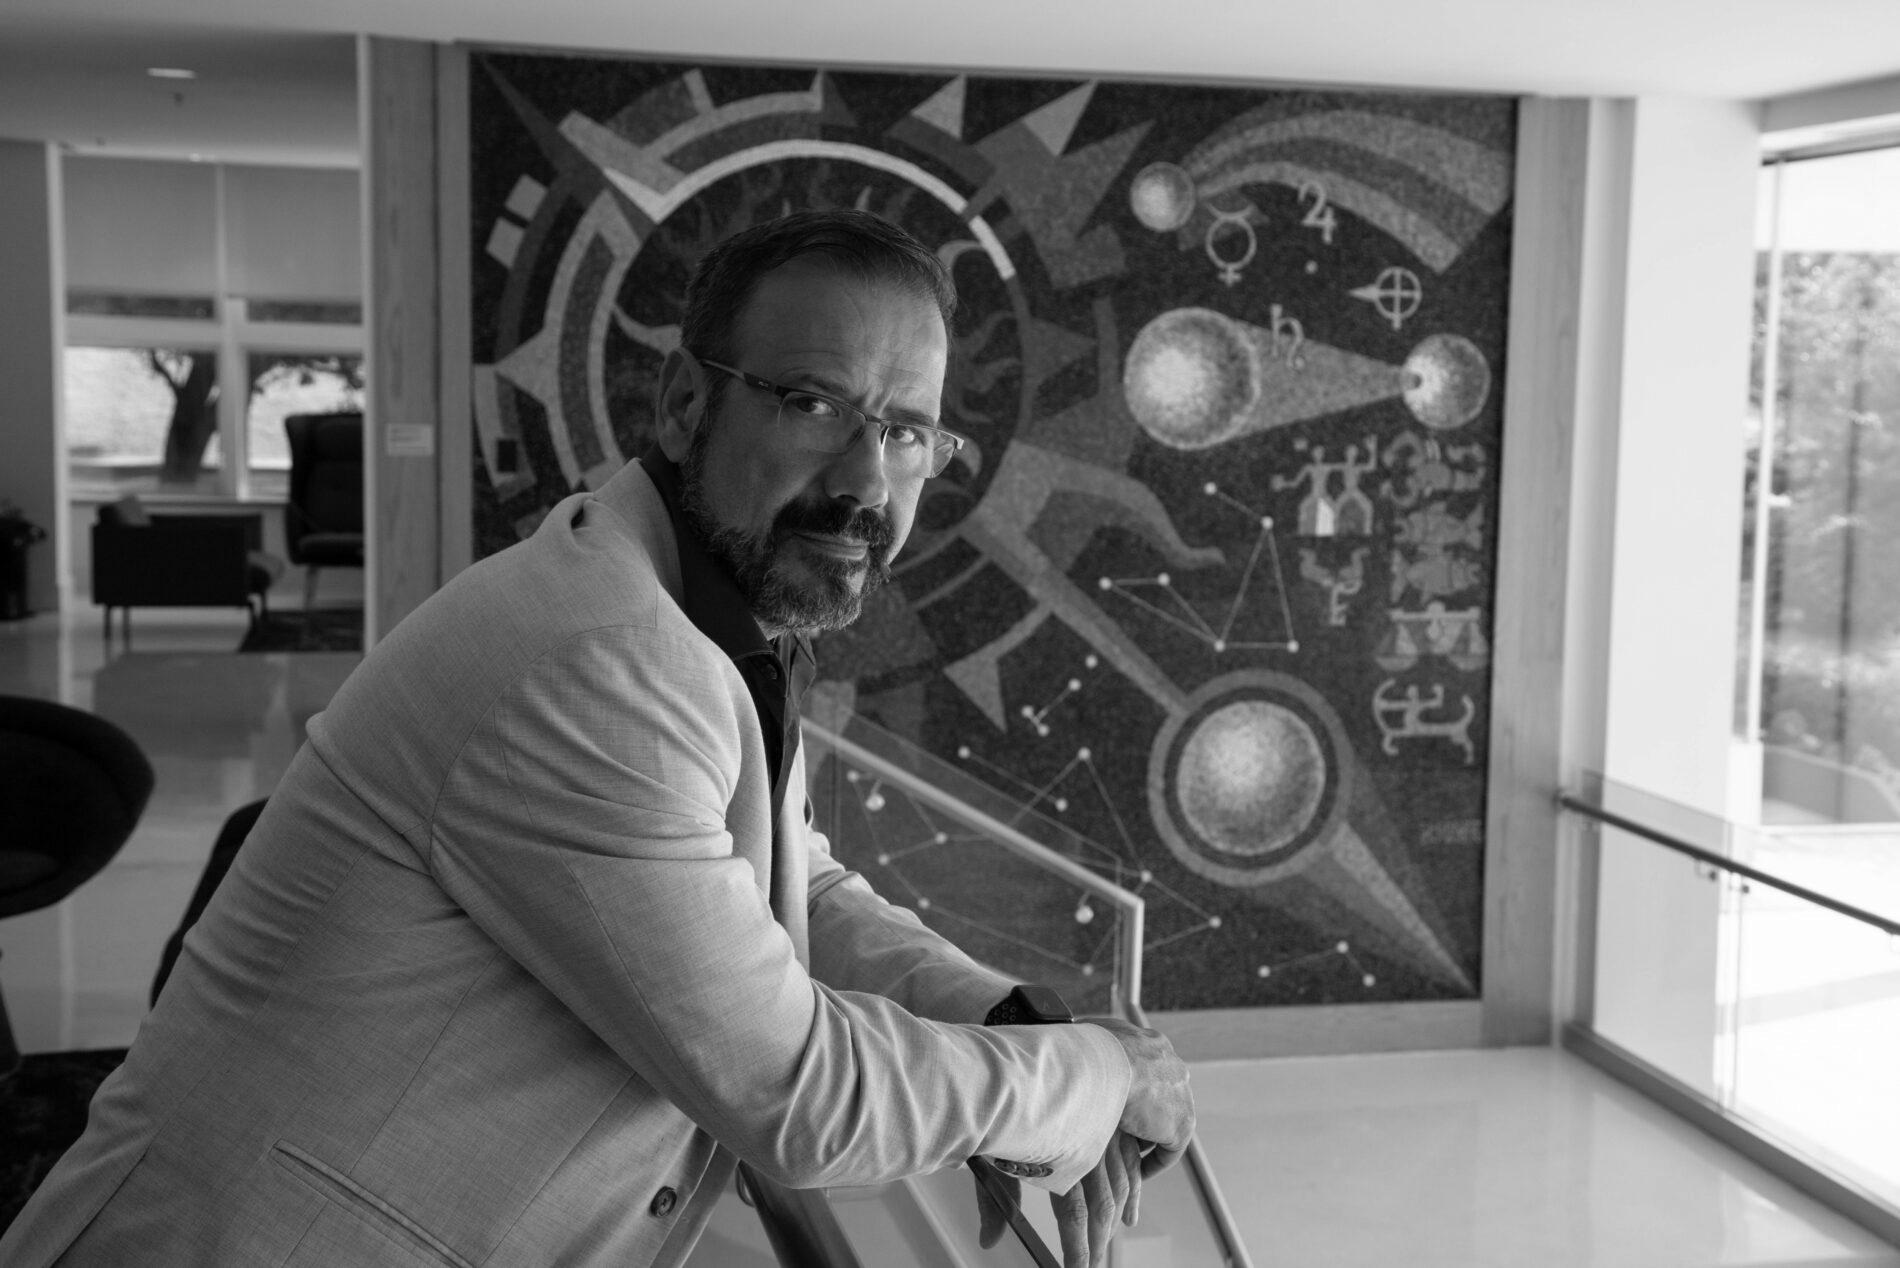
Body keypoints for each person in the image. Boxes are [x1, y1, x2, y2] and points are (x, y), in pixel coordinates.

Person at [0, 209, 1193, 1268]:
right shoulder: (599, 656)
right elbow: (800, 1092)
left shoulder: (699, 610)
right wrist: (1091, 1076)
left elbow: (793, 882)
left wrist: (1012, 1025)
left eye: (907, 432)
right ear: (685, 404)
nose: (865, 480)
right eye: (814, 403)